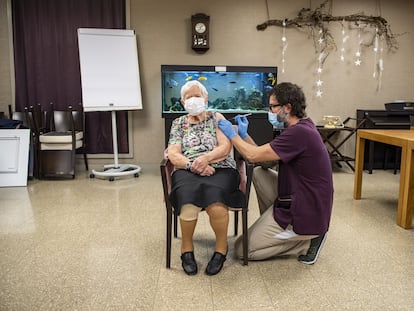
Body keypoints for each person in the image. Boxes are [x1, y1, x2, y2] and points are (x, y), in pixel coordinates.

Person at [218, 82, 333, 265]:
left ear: (287, 107)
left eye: (272, 106)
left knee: (242, 250)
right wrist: (245, 135)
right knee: (259, 173)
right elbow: (265, 160)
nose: (270, 111)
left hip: (305, 208)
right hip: (301, 196)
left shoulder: (299, 134)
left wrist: (233, 136)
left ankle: (306, 241)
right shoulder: (299, 127)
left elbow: (251, 155)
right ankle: (276, 227)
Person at [167, 80, 245, 276]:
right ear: (182, 101)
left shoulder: (216, 117)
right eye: (188, 97)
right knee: (187, 201)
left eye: (197, 96)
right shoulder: (178, 123)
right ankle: (186, 250)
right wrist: (194, 166)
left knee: (216, 202)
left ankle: (221, 249)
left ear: (206, 98)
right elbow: (173, 153)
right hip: (187, 169)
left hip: (221, 168)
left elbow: (225, 147)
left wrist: (206, 159)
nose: (193, 100)